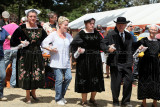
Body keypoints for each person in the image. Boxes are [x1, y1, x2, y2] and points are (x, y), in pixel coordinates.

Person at [10, 9, 47, 104]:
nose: (33, 18)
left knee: (37, 74)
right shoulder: (21, 27)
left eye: (34, 16)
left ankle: (33, 93)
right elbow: (13, 40)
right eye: (31, 16)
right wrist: (21, 42)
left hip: (37, 54)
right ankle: (27, 96)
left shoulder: (40, 27)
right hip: (25, 55)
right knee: (27, 75)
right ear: (27, 17)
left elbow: (45, 39)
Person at [70, 16, 107, 107]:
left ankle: (92, 99)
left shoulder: (97, 33)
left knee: (96, 79)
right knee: (84, 79)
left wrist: (107, 49)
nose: (92, 25)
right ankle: (84, 101)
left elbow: (102, 44)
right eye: (90, 23)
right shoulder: (81, 33)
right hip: (84, 60)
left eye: (93, 23)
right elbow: (73, 44)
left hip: (96, 59)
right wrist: (78, 52)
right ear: (86, 24)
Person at [42, 16, 72, 105]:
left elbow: (73, 45)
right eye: (65, 25)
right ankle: (58, 98)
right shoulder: (53, 34)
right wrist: (50, 49)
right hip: (56, 62)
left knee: (68, 77)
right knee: (59, 79)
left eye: (67, 25)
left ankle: (62, 96)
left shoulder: (69, 36)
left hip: (66, 62)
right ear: (60, 25)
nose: (67, 26)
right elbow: (44, 43)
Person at [104, 17, 133, 107]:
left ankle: (126, 101)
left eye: (123, 24)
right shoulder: (111, 34)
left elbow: (132, 47)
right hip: (115, 62)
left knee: (128, 82)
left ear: (125, 25)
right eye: (119, 24)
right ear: (116, 25)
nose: (121, 26)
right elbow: (103, 44)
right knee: (116, 84)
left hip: (127, 62)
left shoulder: (129, 35)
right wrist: (108, 48)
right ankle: (115, 102)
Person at [136, 24, 160, 107]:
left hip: (156, 65)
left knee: (156, 82)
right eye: (152, 29)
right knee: (144, 82)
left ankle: (154, 102)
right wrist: (139, 49)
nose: (153, 31)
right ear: (149, 30)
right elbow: (135, 48)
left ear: (157, 31)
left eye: (155, 30)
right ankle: (144, 103)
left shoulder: (159, 42)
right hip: (144, 64)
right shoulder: (143, 40)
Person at [2, 14, 19, 88]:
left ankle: (1, 83)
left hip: (6, 48)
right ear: (17, 21)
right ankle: (12, 84)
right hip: (16, 48)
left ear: (9, 20)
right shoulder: (19, 28)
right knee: (15, 67)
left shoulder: (4, 27)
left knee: (3, 67)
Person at [0, 26, 11, 101]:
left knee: (3, 75)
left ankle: (0, 95)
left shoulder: (3, 31)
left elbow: (12, 38)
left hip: (1, 56)